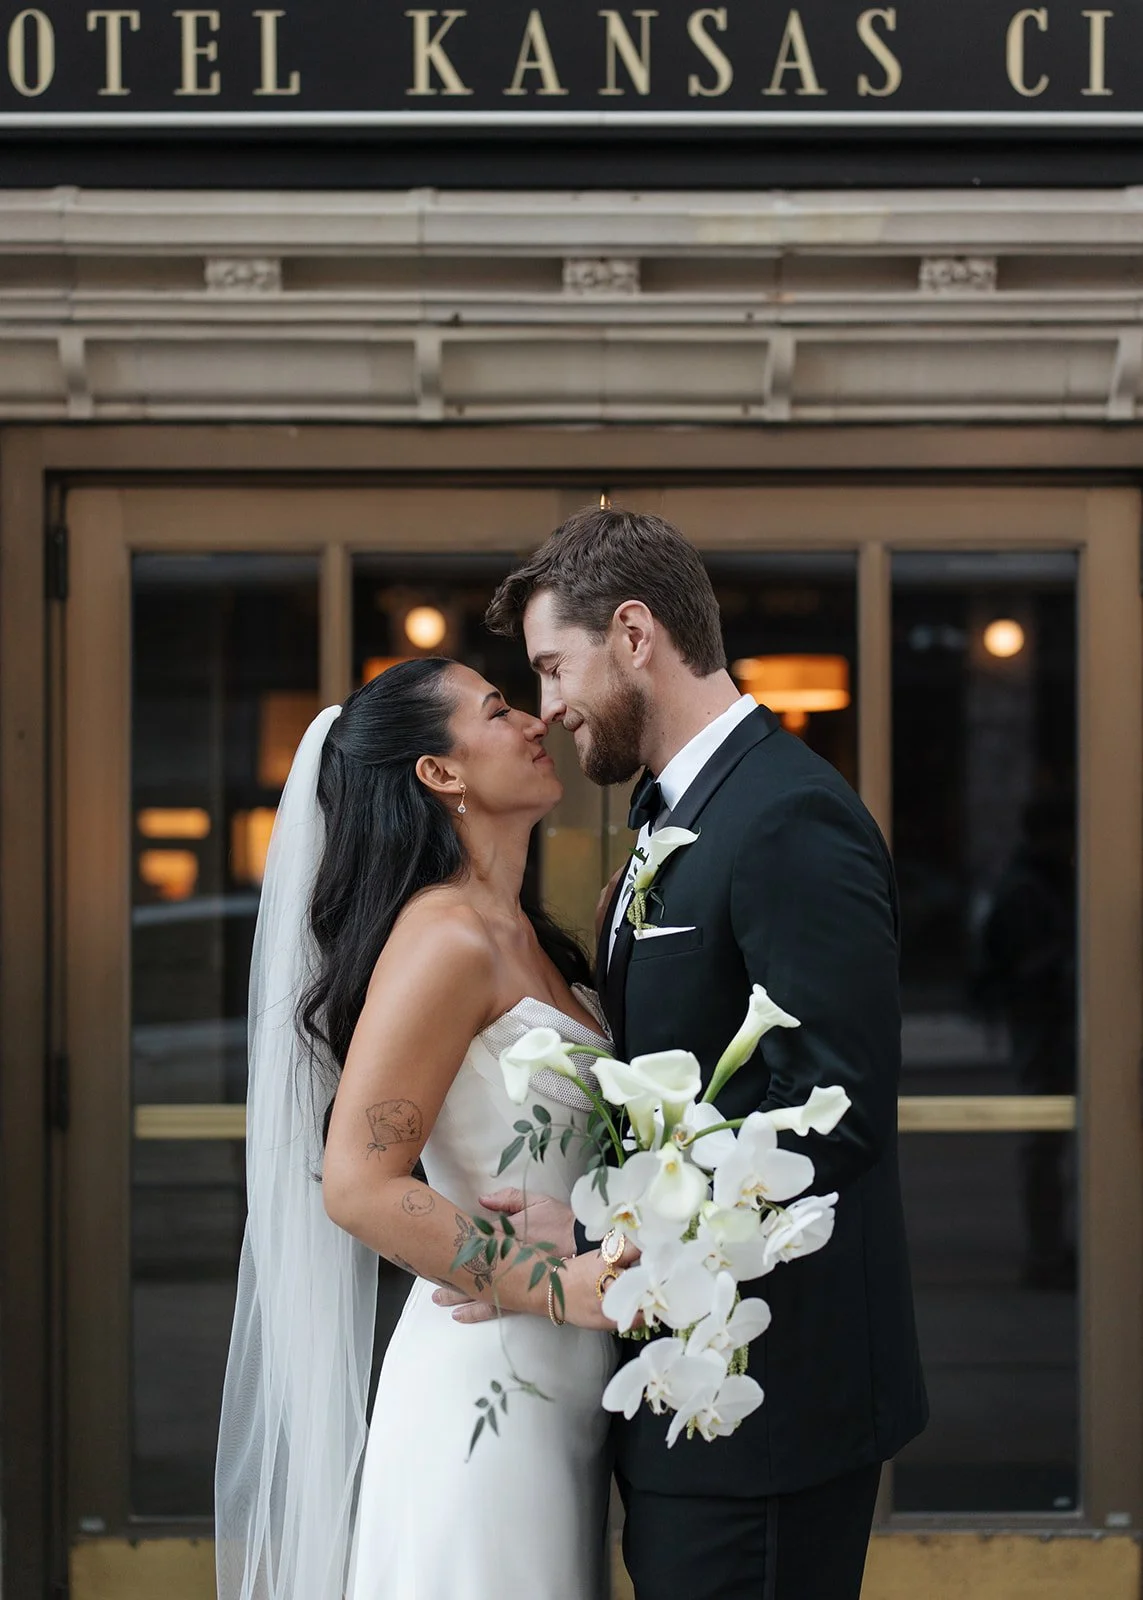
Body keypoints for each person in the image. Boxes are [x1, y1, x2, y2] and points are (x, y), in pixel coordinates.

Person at [438, 506, 928, 1600]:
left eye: (556, 667)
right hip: (688, 1389)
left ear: (633, 633)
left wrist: (605, 1229)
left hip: (773, 1413)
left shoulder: (787, 815)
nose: (551, 708)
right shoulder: (677, 812)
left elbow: (834, 1108)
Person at [214, 657, 624, 1600]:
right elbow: (358, 1184)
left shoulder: (524, 932)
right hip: (486, 1392)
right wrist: (560, 1284)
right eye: (497, 710)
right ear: (439, 773)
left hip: (563, 1387)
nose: (535, 722)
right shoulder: (444, 937)